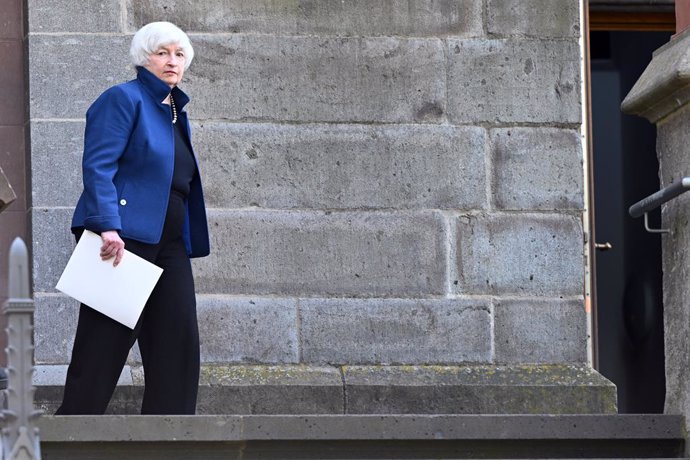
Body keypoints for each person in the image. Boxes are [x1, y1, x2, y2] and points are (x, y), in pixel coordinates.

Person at [55, 21, 210, 415]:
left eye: (178, 54)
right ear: (145, 58)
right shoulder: (124, 99)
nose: (171, 61)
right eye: (162, 53)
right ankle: (70, 434)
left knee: (177, 345)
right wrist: (108, 225)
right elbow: (98, 166)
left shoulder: (174, 110)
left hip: (171, 243)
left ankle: (171, 440)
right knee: (102, 348)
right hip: (125, 239)